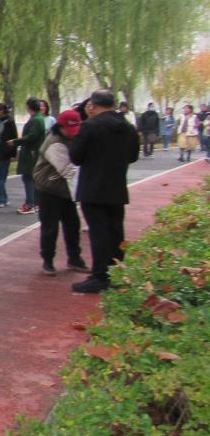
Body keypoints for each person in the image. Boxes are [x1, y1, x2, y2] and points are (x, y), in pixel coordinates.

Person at [69, 89, 139, 293]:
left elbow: (76, 157)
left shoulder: (90, 126)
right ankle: (117, 272)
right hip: (116, 185)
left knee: (98, 232)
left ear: (93, 105)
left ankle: (100, 276)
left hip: (93, 186)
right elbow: (133, 156)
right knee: (116, 230)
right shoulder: (127, 126)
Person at [32, 110, 87, 275]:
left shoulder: (75, 137)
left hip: (65, 190)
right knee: (50, 227)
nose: (72, 134)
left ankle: (74, 259)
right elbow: (69, 171)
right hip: (49, 189)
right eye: (68, 130)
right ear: (60, 127)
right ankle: (48, 261)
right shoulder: (54, 143)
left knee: (73, 225)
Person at [8, 97, 45, 214]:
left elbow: (31, 136)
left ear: (28, 107)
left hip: (31, 153)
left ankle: (30, 203)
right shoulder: (38, 118)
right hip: (32, 152)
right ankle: (34, 202)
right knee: (30, 178)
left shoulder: (36, 120)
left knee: (29, 178)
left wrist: (15, 142)